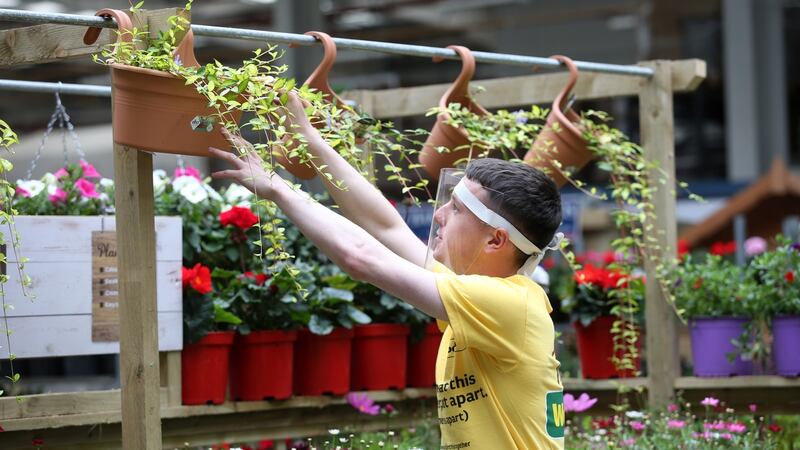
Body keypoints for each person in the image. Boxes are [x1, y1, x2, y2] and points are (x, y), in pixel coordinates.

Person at [209, 91, 565, 449]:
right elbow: (386, 228)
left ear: (495, 241)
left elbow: (363, 257)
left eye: (456, 209)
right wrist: (312, 142)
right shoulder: (478, 293)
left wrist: (279, 189)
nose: (438, 215)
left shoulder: (508, 305)